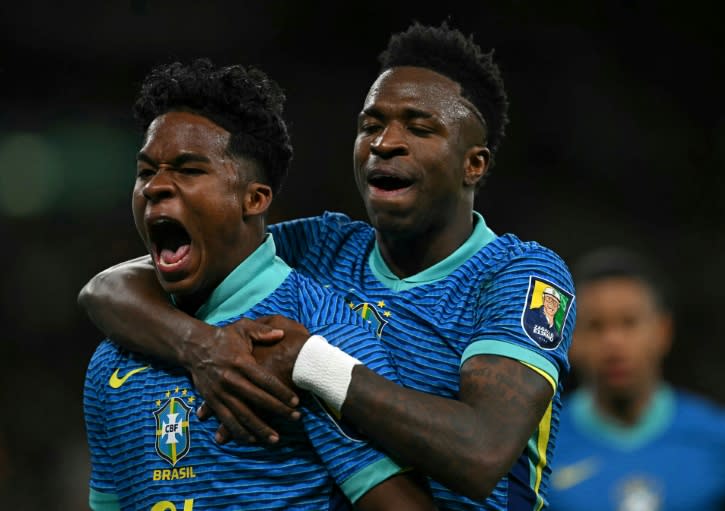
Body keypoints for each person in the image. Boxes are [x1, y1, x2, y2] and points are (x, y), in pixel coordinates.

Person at [79, 22, 576, 510]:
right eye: (371, 125)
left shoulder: (519, 277)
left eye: (419, 127)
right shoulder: (321, 245)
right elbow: (107, 289)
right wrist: (204, 348)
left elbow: (481, 452)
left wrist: (311, 363)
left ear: (475, 165)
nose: (385, 142)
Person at [82, 57, 436, 511]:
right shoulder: (113, 356)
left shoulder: (320, 331)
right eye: (147, 171)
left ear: (254, 199)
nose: (155, 187)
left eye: (189, 170)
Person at [547, 247, 725, 511]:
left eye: (629, 323)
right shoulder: (542, 446)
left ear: (663, 331)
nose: (613, 343)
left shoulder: (724, 438)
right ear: (570, 340)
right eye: (595, 326)